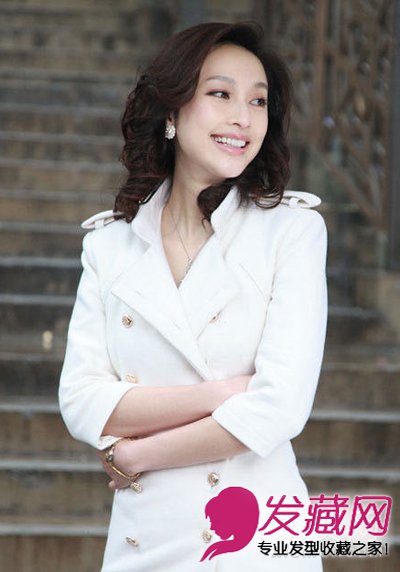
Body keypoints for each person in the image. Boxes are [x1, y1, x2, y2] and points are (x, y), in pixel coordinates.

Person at [59, 21, 327, 572]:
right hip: (143, 543)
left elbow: (280, 408)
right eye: (221, 94)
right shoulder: (110, 244)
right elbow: (82, 401)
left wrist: (137, 452)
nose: (243, 118)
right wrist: (221, 394)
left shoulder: (291, 232)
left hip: (256, 542)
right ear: (172, 113)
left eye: (258, 101)